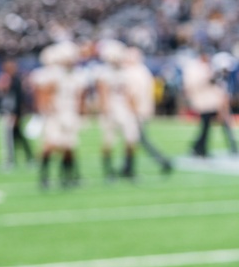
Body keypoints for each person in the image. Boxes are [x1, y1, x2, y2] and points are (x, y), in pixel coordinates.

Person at [31, 41, 87, 189]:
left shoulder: (78, 75)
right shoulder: (54, 74)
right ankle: (44, 176)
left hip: (70, 114)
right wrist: (48, 110)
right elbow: (45, 93)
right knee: (50, 145)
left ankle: (67, 176)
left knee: (69, 146)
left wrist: (80, 113)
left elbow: (79, 96)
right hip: (56, 115)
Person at [121, 46, 173, 174]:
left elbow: (132, 94)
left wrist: (133, 111)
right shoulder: (143, 71)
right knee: (137, 139)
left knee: (136, 139)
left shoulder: (132, 72)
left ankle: (163, 161)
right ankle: (127, 167)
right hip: (142, 110)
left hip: (135, 111)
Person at [94, 39, 141, 181]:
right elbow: (103, 94)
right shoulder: (104, 73)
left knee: (130, 139)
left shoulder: (125, 73)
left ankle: (128, 169)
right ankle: (109, 171)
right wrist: (105, 111)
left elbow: (128, 93)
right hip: (111, 110)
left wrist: (134, 110)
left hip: (124, 110)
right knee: (109, 140)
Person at [182, 50, 238, 157]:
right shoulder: (194, 68)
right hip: (204, 102)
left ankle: (200, 148)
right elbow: (192, 86)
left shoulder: (209, 67)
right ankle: (199, 148)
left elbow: (218, 87)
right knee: (206, 126)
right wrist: (208, 80)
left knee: (208, 126)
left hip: (212, 102)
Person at [0, 58, 34, 171]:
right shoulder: (6, 79)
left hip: (13, 112)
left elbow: (19, 98)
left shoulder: (16, 80)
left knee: (11, 137)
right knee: (18, 136)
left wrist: (17, 114)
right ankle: (27, 158)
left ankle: (11, 160)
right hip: (8, 111)